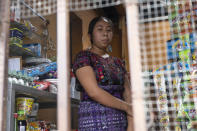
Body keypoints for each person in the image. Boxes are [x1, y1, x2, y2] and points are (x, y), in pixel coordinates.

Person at [73, 16, 133, 131]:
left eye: (109, 30)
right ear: (90, 35)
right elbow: (93, 92)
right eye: (100, 29)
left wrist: (131, 124)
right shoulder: (83, 57)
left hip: (120, 122)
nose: (105, 34)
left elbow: (128, 94)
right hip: (93, 121)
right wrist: (127, 107)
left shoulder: (118, 62)